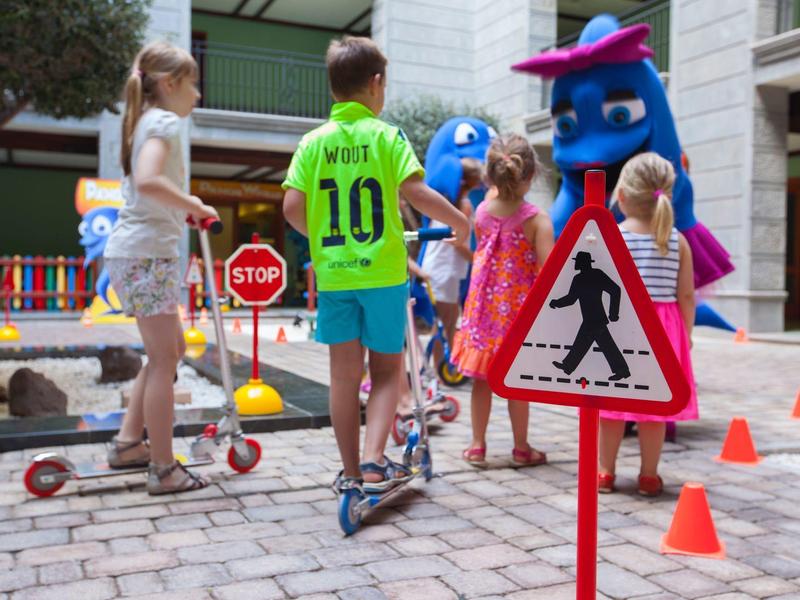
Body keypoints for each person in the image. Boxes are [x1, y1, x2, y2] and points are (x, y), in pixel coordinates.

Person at [282, 36, 469, 494]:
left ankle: (348, 470)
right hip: (383, 274)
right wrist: (460, 222)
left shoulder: (312, 143)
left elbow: (291, 208)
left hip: (336, 276)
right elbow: (417, 193)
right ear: (376, 83)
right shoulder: (387, 137)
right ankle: (372, 462)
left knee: (342, 378)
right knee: (387, 372)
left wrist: (328, 243)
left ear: (333, 88)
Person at [103, 41, 219, 494]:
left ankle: (130, 444)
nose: (198, 95)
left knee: (168, 349)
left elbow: (148, 187)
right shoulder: (164, 121)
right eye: (193, 84)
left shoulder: (144, 121)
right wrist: (193, 202)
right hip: (146, 255)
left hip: (141, 251)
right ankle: (164, 469)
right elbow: (150, 180)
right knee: (165, 357)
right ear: (170, 84)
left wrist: (182, 211)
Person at [598, 151, 698, 497]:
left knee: (611, 407)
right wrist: (686, 335)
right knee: (653, 410)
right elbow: (686, 295)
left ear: (621, 196)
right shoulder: (677, 240)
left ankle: (606, 472)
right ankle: (649, 475)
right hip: (663, 332)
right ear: (667, 195)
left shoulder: (613, 237)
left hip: (621, 328)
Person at [453, 134, 554, 467]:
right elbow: (548, 270)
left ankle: (477, 444)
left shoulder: (481, 212)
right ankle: (521, 447)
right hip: (518, 314)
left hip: (483, 312)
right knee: (517, 383)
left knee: (482, 381)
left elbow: (484, 254)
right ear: (530, 175)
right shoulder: (537, 220)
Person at [420, 157, 482, 372]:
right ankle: (441, 370)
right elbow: (457, 243)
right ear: (472, 181)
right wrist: (479, 261)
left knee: (443, 322)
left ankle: (440, 368)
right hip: (444, 268)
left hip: (439, 266)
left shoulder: (446, 201)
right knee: (446, 322)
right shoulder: (463, 205)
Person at [549, 250, 630, 380]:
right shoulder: (579, 278)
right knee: (602, 344)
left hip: (595, 318)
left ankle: (568, 366)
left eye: (578, 262)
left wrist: (613, 313)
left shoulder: (595, 275)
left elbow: (615, 290)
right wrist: (556, 303)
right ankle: (622, 371)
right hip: (591, 318)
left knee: (592, 344)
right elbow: (571, 299)